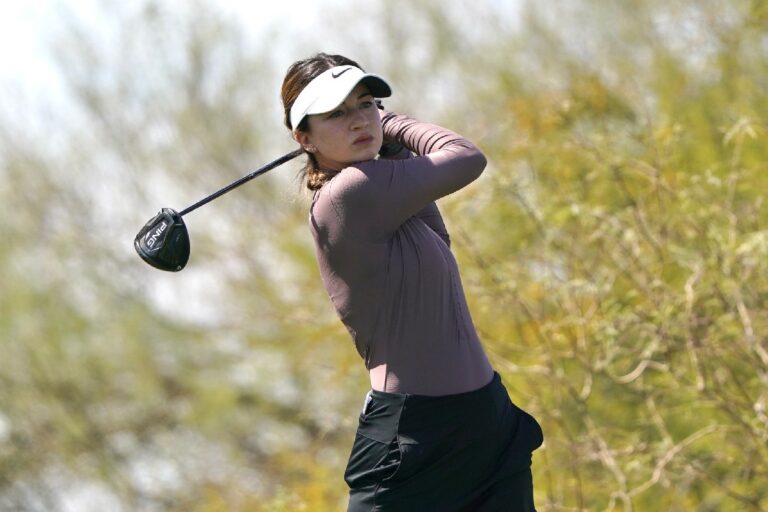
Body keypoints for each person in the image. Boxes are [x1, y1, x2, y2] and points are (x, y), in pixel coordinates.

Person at [280, 53, 543, 512]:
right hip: (415, 439)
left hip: (485, 422)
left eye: (366, 104)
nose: (360, 120)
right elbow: (465, 157)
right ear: (304, 137)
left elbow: (439, 239)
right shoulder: (350, 193)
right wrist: (396, 123)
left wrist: (390, 144)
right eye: (337, 113)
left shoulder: (385, 189)